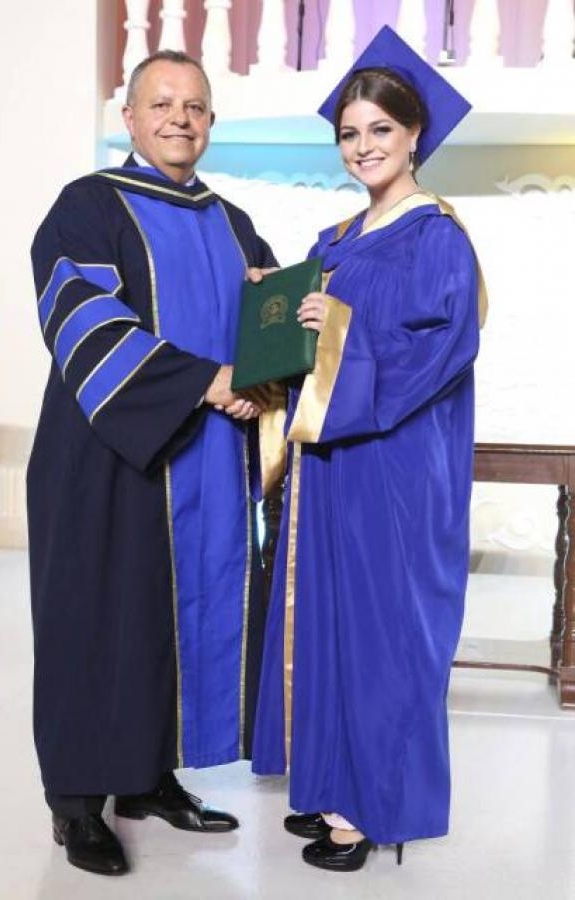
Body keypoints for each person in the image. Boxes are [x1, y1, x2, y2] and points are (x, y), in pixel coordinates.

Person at [28, 50, 276, 876]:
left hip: (205, 461)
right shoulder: (88, 205)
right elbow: (83, 320)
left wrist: (264, 378)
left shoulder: (233, 221)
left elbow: (268, 326)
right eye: (162, 103)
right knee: (94, 619)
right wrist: (208, 381)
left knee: (173, 620)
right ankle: (76, 803)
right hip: (105, 458)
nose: (180, 118)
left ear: (211, 124)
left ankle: (147, 777)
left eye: (195, 106)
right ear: (130, 118)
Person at [252, 26, 487, 873]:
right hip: (330, 467)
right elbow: (305, 349)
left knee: (384, 634)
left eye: (380, 129)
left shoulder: (436, 237)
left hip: (393, 467)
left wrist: (340, 328)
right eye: (349, 133)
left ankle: (372, 809)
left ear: (415, 133)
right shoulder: (338, 237)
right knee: (327, 624)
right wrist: (274, 319)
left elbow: (442, 351)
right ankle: (331, 787)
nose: (363, 146)